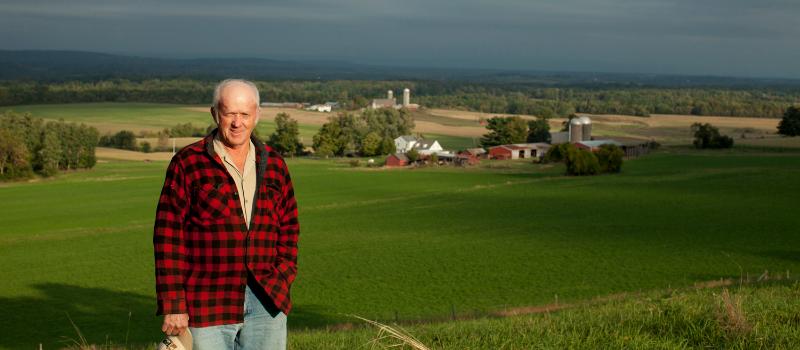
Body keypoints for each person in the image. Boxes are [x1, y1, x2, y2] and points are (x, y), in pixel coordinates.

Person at [153, 79, 299, 349]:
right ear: (215, 114)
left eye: (244, 114)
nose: (237, 122)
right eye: (229, 113)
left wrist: (282, 275)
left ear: (256, 115)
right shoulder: (188, 163)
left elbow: (289, 227)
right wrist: (174, 304)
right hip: (207, 301)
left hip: (267, 300)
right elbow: (168, 237)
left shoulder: (275, 164)